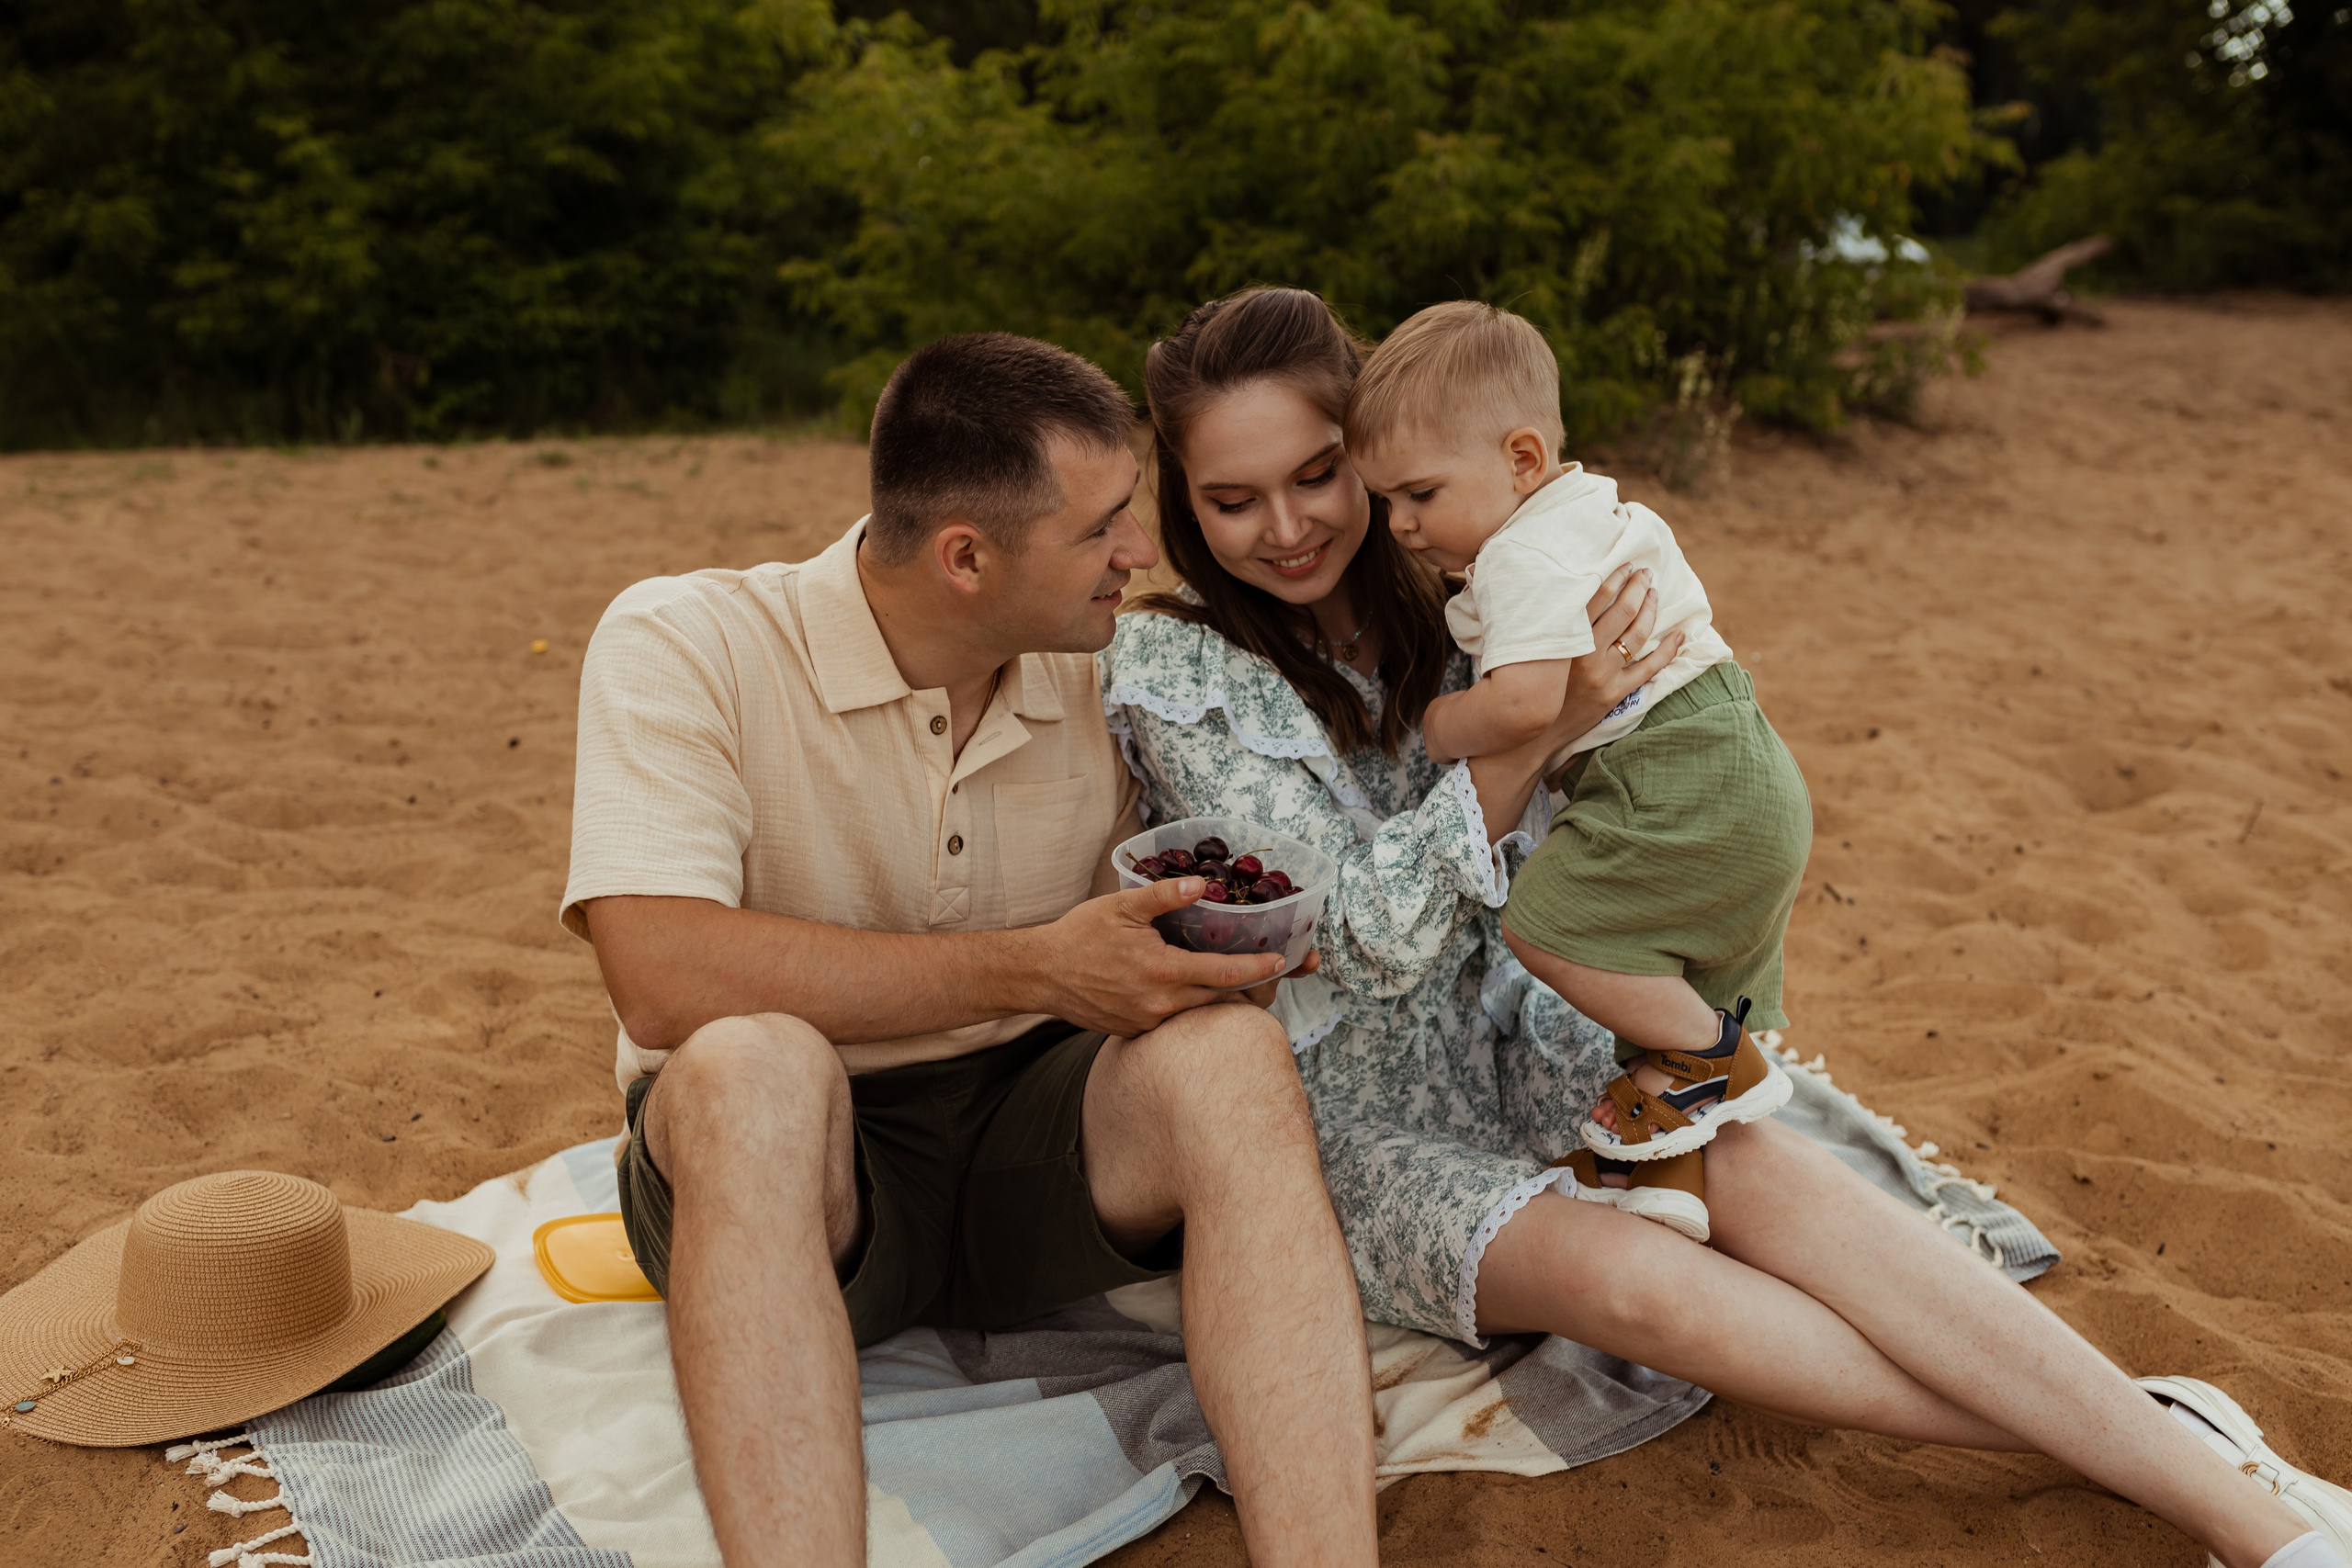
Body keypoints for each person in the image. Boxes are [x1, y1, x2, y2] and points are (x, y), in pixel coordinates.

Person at [1101, 284, 2348, 1568]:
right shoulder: (1179, 671)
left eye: (1318, 474)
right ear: (1182, 503)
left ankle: (2239, 1516)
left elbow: (1637, 760)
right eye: (1231, 498)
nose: (1290, 525)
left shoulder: (1476, 576)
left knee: (1756, 1163)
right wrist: (1537, 724)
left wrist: (1572, 712)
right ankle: (2154, 1437)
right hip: (1347, 1110)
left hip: (1530, 1010)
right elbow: (1356, 932)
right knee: (1633, 1283)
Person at [560, 332, 1379, 1567]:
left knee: (1232, 1057)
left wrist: (1215, 945)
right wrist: (1036, 965)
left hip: (1032, 1147)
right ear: (965, 558)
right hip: (804, 1168)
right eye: (1103, 526)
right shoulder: (687, 643)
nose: (1140, 553)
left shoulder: (1108, 672)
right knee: (748, 1072)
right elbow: (661, 972)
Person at [1344, 299, 1811, 1240]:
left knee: (1552, 929)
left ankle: (1726, 1065)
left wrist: (1438, 724)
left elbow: (1523, 705)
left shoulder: (1522, 552)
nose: (1398, 525)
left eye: (1419, 496)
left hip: (1669, 772)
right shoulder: (1588, 514)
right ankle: (1661, 1178)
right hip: (1741, 760)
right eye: (1384, 502)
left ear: (1519, 459)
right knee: (1656, 999)